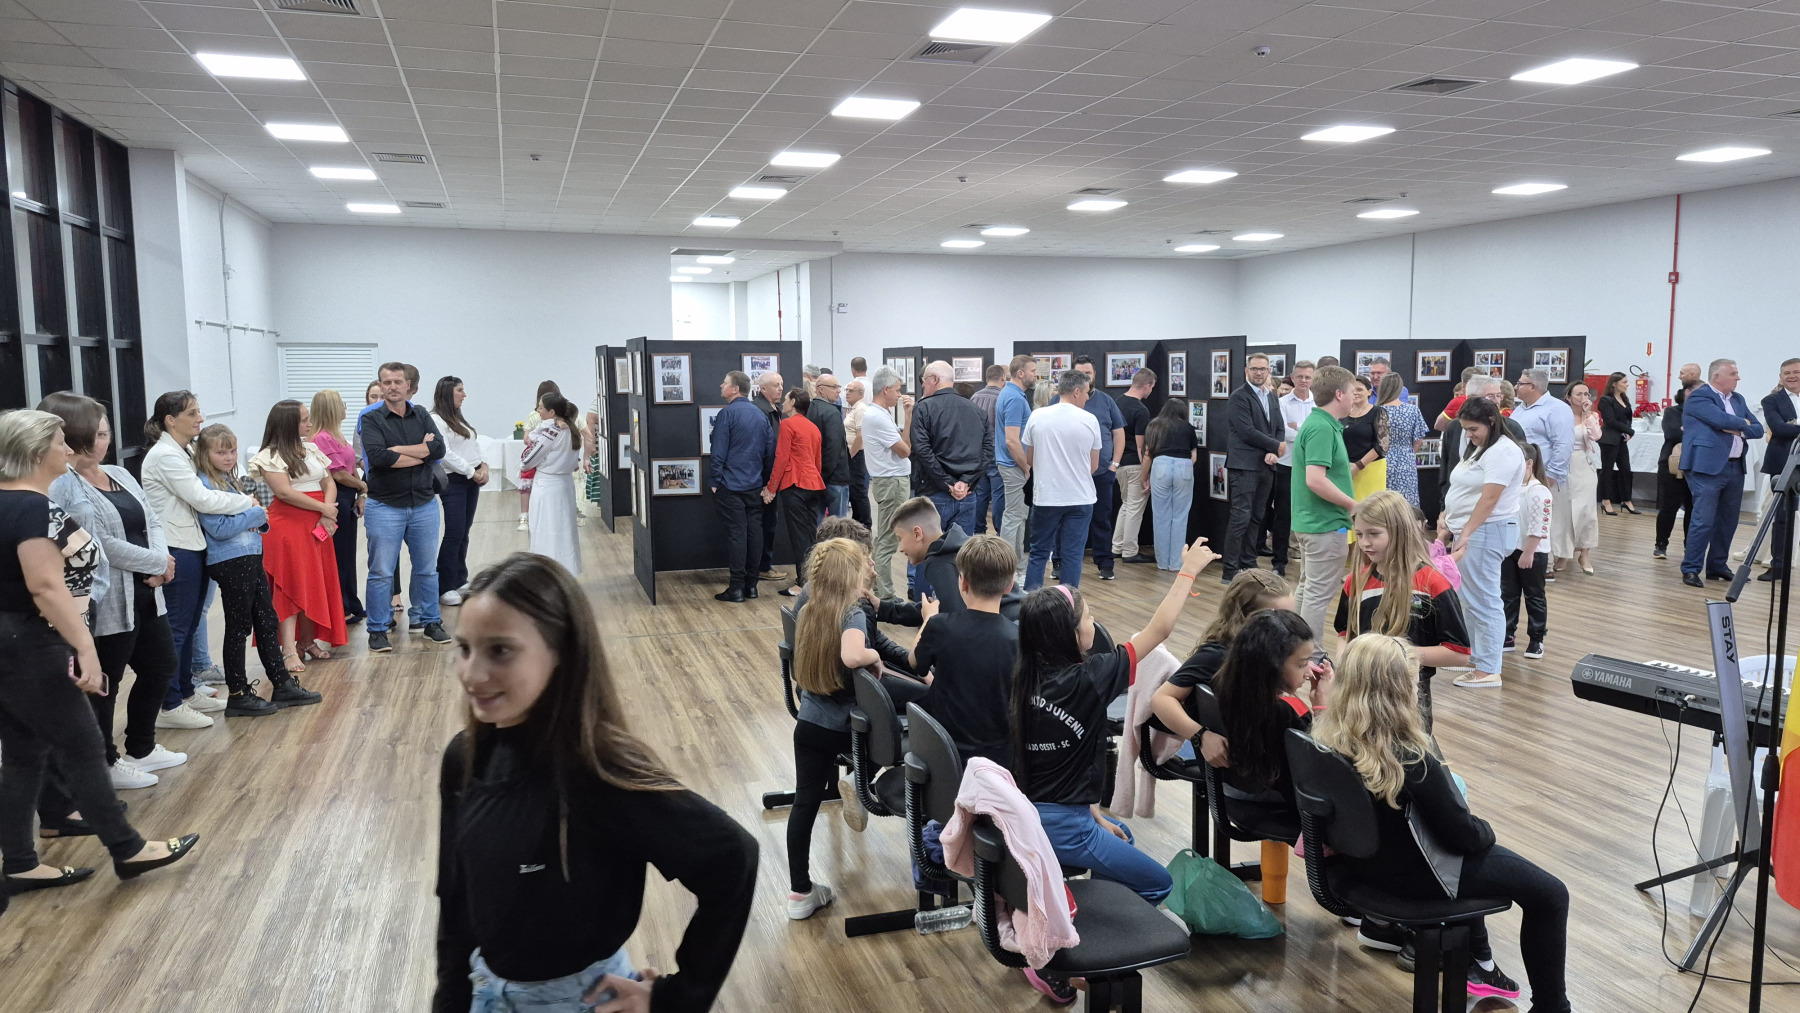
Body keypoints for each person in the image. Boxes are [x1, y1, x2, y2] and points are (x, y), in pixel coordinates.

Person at [436, 552, 757, 1013]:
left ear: (561, 652)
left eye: (500, 650)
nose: (472, 674)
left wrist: (677, 998)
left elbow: (731, 858)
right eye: (465, 649)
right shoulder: (465, 758)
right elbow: (456, 903)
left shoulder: (599, 774)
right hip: (484, 993)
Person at [0, 409, 199, 894]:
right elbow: (46, 587)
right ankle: (128, 848)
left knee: (23, 754)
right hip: (32, 642)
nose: (69, 450)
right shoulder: (31, 508)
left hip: (11, 642)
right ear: (36, 452)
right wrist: (84, 648)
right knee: (84, 747)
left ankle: (20, 862)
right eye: (60, 442)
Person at [1313, 635, 1566, 1007]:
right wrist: (1487, 829)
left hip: (1361, 870)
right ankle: (1553, 1007)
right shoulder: (1410, 758)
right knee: (1551, 894)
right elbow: (1465, 837)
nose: (1417, 690)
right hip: (1418, 878)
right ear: (1398, 692)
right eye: (1413, 682)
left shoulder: (1325, 742)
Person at [1010, 536, 1218, 922]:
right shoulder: (1090, 679)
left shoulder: (1020, 678)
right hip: (1064, 827)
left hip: (1027, 815)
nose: (1094, 622)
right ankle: (1080, 932)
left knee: (1121, 831)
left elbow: (1057, 768)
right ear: (1072, 635)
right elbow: (1159, 630)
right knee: (1158, 883)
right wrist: (1187, 571)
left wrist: (1095, 815)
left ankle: (1080, 915)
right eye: (1089, 617)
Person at [39, 393, 186, 789]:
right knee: (106, 681)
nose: (104, 442)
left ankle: (142, 746)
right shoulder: (62, 484)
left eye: (106, 433)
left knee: (160, 665)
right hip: (107, 600)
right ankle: (105, 761)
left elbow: (152, 519)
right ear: (73, 437)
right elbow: (96, 542)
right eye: (98, 434)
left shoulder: (119, 473)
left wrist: (160, 561)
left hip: (146, 590)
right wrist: (156, 563)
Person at [785, 538, 928, 918]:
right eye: (865, 564)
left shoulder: (809, 609)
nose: (870, 569)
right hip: (843, 728)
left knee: (804, 803)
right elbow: (852, 654)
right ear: (851, 575)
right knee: (907, 724)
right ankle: (862, 779)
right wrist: (873, 655)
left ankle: (799, 893)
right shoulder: (852, 613)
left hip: (809, 723)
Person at [140, 390, 254, 728]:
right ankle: (170, 704)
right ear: (170, 420)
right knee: (177, 627)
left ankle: (187, 692)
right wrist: (247, 504)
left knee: (190, 624)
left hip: (192, 544)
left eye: (199, 412)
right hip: (177, 547)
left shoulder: (184, 450)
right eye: (192, 413)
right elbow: (202, 499)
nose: (200, 419)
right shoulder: (165, 455)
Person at [194, 423, 322, 714]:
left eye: (232, 451)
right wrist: (254, 514)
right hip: (230, 560)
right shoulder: (205, 484)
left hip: (250, 554)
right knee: (239, 626)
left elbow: (255, 520)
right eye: (221, 452)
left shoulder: (229, 480)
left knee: (266, 620)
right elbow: (219, 528)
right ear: (205, 454)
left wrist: (256, 517)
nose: (229, 457)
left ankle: (281, 683)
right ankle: (238, 693)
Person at [1337, 490, 1471, 731]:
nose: (1365, 543)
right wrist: (1344, 666)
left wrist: (1398, 656)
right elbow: (1344, 633)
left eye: (1374, 534)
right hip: (1360, 694)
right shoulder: (1355, 582)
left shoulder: (1433, 583)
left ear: (1400, 531)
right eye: (1359, 534)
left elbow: (1459, 653)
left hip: (1409, 694)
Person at [251, 399, 348, 673]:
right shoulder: (269, 455)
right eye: (304, 419)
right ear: (288, 424)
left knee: (314, 582)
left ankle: (307, 640)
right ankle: (288, 649)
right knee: (290, 586)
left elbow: (328, 482)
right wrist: (324, 509)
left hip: (317, 523)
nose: (309, 423)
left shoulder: (312, 448)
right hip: (288, 526)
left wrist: (327, 513)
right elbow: (284, 492)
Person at [362, 361, 450, 653]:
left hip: (424, 504)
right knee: (381, 572)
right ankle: (377, 629)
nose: (392, 387)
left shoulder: (421, 414)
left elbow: (439, 450)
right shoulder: (372, 419)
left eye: (397, 382)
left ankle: (430, 622)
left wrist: (398, 450)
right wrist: (421, 453)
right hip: (384, 506)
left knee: (427, 570)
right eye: (386, 382)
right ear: (381, 385)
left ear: (407, 385)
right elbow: (378, 458)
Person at [1151, 569, 1292, 752]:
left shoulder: (1267, 652)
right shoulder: (1217, 655)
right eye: (1281, 618)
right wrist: (1201, 736)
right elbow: (1161, 699)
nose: (1290, 626)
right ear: (1247, 617)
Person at [1211, 608, 1333, 818]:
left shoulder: (1223, 682)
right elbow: (1320, 759)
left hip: (1229, 785)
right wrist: (1322, 705)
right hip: (1273, 798)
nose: (1308, 672)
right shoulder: (1287, 709)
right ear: (1273, 664)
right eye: (1302, 664)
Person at [911, 534, 1018, 764]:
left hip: (944, 752)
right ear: (1010, 586)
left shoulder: (940, 626)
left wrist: (928, 619)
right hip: (998, 761)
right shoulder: (1020, 640)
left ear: (963, 582)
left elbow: (915, 664)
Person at [1443, 398, 1526, 689]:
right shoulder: (1481, 447)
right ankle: (1476, 656)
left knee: (1484, 600)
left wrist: (1466, 531)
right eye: (1465, 429)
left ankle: (1488, 667)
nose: (1468, 435)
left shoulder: (1503, 451)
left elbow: (1490, 499)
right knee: (1470, 598)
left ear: (1491, 422)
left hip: (1487, 531)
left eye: (1473, 429)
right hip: (1474, 530)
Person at [1681, 358, 1765, 587]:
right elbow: (1720, 419)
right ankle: (1691, 568)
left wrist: (1737, 428)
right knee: (1703, 520)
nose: (1738, 378)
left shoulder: (1738, 399)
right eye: (1733, 374)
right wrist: (1741, 424)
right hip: (1706, 467)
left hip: (1735, 467)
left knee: (1728, 521)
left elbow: (1758, 429)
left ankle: (1717, 566)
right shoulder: (1699, 396)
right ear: (1717, 376)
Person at [1292, 365, 1358, 643]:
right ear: (1339, 394)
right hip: (1324, 524)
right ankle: (1312, 654)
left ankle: (1295, 649)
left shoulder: (1320, 424)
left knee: (1308, 589)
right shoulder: (1321, 427)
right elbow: (1315, 480)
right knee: (1317, 594)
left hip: (1314, 522)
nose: (1355, 397)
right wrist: (1353, 505)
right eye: (1353, 392)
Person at [1021, 371, 1101, 591]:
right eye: (1086, 392)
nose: (1087, 397)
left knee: (1038, 552)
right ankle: (1068, 602)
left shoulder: (1037, 416)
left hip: (1047, 497)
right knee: (1073, 555)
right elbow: (1094, 465)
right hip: (1080, 497)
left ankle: (1031, 600)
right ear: (1076, 392)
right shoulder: (1090, 420)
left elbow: (1030, 459)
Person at [710, 371, 775, 603]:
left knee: (737, 534)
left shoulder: (726, 414)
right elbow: (770, 452)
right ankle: (752, 586)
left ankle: (737, 587)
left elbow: (718, 451)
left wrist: (715, 481)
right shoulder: (760, 415)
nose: (721, 385)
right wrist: (766, 482)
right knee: (754, 533)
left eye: (725, 383)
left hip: (731, 485)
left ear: (735, 389)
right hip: (754, 485)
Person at [1062, 355, 1127, 581]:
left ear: (1094, 375)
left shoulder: (1106, 401)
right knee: (1065, 519)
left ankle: (1105, 563)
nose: (1085, 378)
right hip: (1069, 474)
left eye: (1088, 373)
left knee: (1102, 519)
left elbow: (1118, 433)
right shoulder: (1060, 402)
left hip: (1101, 473)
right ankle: (1060, 562)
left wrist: (1114, 464)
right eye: (1080, 373)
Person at [910, 360, 991, 539]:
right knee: (961, 552)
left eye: (924, 380)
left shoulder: (923, 408)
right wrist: (966, 482)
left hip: (934, 493)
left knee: (927, 549)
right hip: (967, 494)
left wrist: (947, 483)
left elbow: (922, 450)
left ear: (935, 379)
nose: (922, 385)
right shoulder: (977, 410)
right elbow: (987, 451)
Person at [1222, 353, 1284, 581]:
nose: (1259, 372)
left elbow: (1278, 428)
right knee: (1241, 517)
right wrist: (1275, 446)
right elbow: (1246, 431)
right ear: (1246, 371)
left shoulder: (1272, 397)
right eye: (1255, 369)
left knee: (1257, 516)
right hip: (1244, 466)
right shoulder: (1239, 397)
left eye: (1263, 369)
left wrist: (1273, 451)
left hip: (1266, 465)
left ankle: (1249, 564)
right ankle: (1230, 570)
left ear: (1269, 371)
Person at [431, 377, 490, 605]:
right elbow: (445, 453)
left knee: (464, 531)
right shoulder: (436, 419)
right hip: (454, 480)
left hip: (470, 478)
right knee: (454, 532)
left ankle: (459, 578)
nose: (464, 395)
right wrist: (470, 471)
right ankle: (444, 585)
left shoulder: (457, 418)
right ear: (447, 392)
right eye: (460, 390)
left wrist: (483, 466)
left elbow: (474, 443)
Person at [310, 390, 367, 625]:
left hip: (349, 495)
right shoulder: (321, 438)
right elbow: (338, 474)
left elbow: (350, 466)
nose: (345, 407)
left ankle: (352, 602)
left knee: (348, 555)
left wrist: (361, 493)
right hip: (338, 496)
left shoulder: (338, 435)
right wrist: (362, 485)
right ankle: (341, 607)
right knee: (339, 556)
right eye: (342, 404)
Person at [766, 386, 825, 597]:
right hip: (814, 484)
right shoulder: (813, 427)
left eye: (786, 399)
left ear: (793, 403)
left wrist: (771, 487)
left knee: (799, 536)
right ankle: (813, 580)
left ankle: (803, 584)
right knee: (810, 534)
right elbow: (817, 461)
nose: (783, 402)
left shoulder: (788, 424)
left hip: (795, 484)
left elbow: (781, 458)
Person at [861, 367, 914, 600]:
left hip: (890, 481)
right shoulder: (877, 417)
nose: (899, 395)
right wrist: (908, 417)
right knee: (888, 540)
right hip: (892, 482)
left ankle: (877, 589)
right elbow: (905, 451)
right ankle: (885, 595)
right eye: (897, 390)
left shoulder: (879, 414)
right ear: (885, 389)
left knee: (885, 537)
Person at [522, 393, 583, 576]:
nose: (538, 410)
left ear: (552, 412)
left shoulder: (551, 433)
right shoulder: (572, 431)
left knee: (544, 529)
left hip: (547, 486)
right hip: (565, 484)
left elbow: (527, 461)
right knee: (564, 529)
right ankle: (566, 571)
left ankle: (546, 573)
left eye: (541, 407)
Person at [1502, 443, 1553, 659]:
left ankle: (1536, 638)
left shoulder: (1539, 491)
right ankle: (1507, 634)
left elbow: (1539, 525)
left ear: (1529, 463)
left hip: (1532, 552)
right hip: (1510, 550)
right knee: (1508, 594)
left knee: (1534, 595)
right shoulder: (1512, 489)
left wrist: (1529, 551)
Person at [995, 355, 1036, 587]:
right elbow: (1012, 440)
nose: (1035, 375)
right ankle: (1007, 572)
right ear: (1020, 373)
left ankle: (1018, 568)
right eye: (1032, 370)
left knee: (1019, 517)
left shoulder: (1011, 394)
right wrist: (1026, 466)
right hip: (1014, 466)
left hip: (1013, 465)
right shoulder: (1014, 398)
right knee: (1013, 518)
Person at [1142, 397, 1198, 570]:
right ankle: (1176, 563)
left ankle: (1162, 562)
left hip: (1160, 465)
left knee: (1161, 516)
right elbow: (1194, 456)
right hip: (1184, 465)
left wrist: (1143, 477)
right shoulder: (1188, 427)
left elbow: (1147, 456)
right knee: (1180, 516)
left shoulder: (1154, 425)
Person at [1551, 382, 1601, 576]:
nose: (1583, 398)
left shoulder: (1591, 417)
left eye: (1586, 394)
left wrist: (1588, 416)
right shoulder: (1561, 416)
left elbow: (1596, 436)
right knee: (1564, 511)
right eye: (1579, 394)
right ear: (1569, 397)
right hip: (1563, 465)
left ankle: (1585, 553)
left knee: (1586, 511)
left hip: (1584, 465)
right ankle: (1564, 553)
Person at [1271, 361, 1316, 577]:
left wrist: (1297, 427)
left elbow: (1319, 432)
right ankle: (1279, 561)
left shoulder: (1319, 403)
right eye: (1300, 377)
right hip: (1286, 465)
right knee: (1283, 515)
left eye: (1308, 377)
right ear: (1293, 377)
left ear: (1313, 379)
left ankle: (1309, 561)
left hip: (1312, 466)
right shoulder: (1281, 403)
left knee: (1311, 513)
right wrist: (1307, 432)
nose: (1303, 381)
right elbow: (1282, 432)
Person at [889, 495, 971, 611]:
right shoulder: (956, 547)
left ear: (917, 534)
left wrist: (932, 618)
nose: (900, 548)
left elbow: (953, 618)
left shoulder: (940, 565)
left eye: (900, 539)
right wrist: (883, 608)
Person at [1757, 358, 1800, 580]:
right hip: (1784, 463)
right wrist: (1789, 427)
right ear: (1780, 377)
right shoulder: (1771, 400)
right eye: (1786, 373)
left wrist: (1794, 425)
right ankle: (1778, 566)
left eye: (1796, 372)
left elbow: (1788, 428)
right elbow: (1779, 429)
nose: (1791, 376)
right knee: (1782, 516)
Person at [1113, 368, 1155, 563]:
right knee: (1135, 508)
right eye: (1152, 387)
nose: (1151, 391)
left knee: (1126, 505)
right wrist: (1145, 474)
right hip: (1135, 464)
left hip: (1118, 462)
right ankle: (1130, 551)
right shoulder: (1140, 410)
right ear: (1147, 386)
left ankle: (1117, 546)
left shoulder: (1117, 402)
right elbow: (1141, 446)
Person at [1512, 368, 1574, 495]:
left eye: (1520, 383)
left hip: (1544, 478)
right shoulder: (1519, 409)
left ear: (1533, 386)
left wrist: (1552, 476)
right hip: (1520, 476)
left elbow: (1563, 444)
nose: (1515, 387)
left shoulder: (1557, 409)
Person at [1656, 378, 1699, 560]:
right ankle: (1661, 544)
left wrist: (1688, 431)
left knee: (1692, 508)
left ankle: (1690, 546)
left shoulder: (1705, 412)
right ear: (1687, 392)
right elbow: (1673, 433)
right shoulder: (1672, 412)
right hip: (1672, 464)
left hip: (1696, 465)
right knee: (1669, 506)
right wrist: (1697, 433)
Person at [753, 371, 786, 583]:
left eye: (781, 384)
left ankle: (763, 566)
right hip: (763, 480)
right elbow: (765, 450)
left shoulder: (775, 410)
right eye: (776, 385)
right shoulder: (760, 411)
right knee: (765, 523)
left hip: (770, 479)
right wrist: (769, 484)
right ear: (763, 389)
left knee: (769, 523)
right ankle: (762, 567)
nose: (781, 388)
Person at [1378, 373, 1429, 508]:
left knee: (1383, 504)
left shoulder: (1377, 411)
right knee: (1407, 503)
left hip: (1381, 460)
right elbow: (1418, 441)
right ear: (1400, 388)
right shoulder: (1413, 410)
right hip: (1406, 461)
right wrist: (1407, 452)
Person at [806, 372, 852, 520]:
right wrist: (824, 474)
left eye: (838, 387)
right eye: (834, 387)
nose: (838, 391)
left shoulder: (808, 410)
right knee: (838, 526)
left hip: (815, 478)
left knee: (816, 523)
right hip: (835, 478)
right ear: (821, 389)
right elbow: (833, 447)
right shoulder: (832, 412)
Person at [969, 364, 1007, 535]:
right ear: (1003, 378)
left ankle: (978, 531)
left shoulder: (974, 397)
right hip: (996, 451)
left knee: (980, 494)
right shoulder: (1002, 397)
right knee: (998, 494)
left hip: (977, 453)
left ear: (986, 378)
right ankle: (999, 532)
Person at [1596, 371, 1638, 515]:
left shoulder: (1624, 399)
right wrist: (1629, 431)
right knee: (1607, 470)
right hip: (1609, 439)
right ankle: (1605, 500)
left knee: (1625, 469)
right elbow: (1610, 421)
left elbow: (1627, 418)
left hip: (1621, 438)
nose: (1627, 385)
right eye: (1624, 382)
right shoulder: (1606, 400)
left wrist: (1628, 431)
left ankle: (1626, 500)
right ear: (1614, 384)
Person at [1343, 374, 1388, 506]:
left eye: (1360, 389)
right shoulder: (1343, 414)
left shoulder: (1378, 412)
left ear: (1369, 392)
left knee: (1371, 509)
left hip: (1371, 469)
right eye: (1353, 390)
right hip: (1346, 470)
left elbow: (1382, 446)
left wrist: (1358, 466)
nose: (1356, 393)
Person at [843, 377, 872, 527]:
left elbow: (860, 436)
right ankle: (858, 524)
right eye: (846, 390)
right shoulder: (853, 408)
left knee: (858, 492)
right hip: (853, 455)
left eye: (851, 391)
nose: (847, 393)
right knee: (854, 492)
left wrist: (850, 456)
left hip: (856, 456)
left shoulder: (860, 409)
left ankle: (864, 525)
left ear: (860, 394)